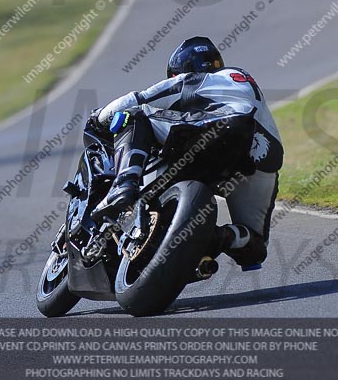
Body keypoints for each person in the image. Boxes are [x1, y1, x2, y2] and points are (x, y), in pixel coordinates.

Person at [89, 36, 284, 269]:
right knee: (254, 248)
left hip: (215, 128)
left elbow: (139, 99)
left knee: (133, 116)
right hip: (261, 156)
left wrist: (98, 118)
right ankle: (217, 238)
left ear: (179, 71)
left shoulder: (192, 79)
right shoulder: (240, 82)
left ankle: (124, 185)